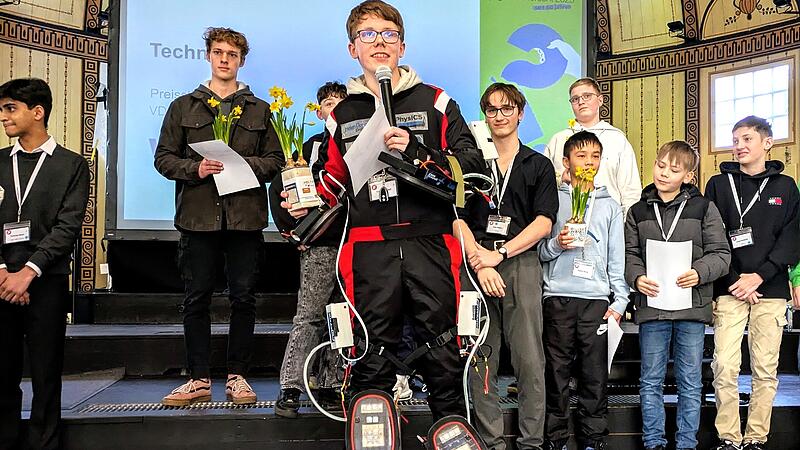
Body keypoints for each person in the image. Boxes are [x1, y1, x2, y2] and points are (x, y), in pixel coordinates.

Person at [283, 0, 484, 420]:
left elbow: (473, 169)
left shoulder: (437, 102)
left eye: (389, 34)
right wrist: (297, 205)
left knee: (444, 352)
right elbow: (331, 183)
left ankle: (451, 428)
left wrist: (418, 152)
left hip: (431, 242)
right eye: (368, 35)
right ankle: (370, 427)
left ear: (403, 47)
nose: (379, 43)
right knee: (368, 354)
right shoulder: (342, 113)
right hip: (367, 248)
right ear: (352, 48)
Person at [154, 27, 283, 406]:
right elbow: (163, 158)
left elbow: (276, 160)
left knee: (243, 298)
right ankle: (197, 379)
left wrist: (242, 165)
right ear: (208, 57)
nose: (225, 59)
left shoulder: (260, 108)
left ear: (242, 60)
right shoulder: (183, 106)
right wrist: (196, 169)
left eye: (232, 53)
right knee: (196, 298)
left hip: (244, 218)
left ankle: (237, 377)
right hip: (198, 218)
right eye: (218, 52)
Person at [455, 82, 557, 450]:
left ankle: (531, 443)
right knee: (480, 358)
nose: (499, 116)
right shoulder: (472, 167)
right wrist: (480, 261)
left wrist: (501, 256)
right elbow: (456, 217)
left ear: (520, 113)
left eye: (506, 108)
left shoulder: (538, 164)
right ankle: (491, 442)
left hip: (519, 264)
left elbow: (544, 223)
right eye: (492, 110)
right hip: (477, 265)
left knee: (530, 359)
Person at [0, 78, 90, 450]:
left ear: (38, 112)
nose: (3, 116)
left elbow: (67, 226)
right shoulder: (0, 161)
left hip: (46, 279)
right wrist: (5, 274)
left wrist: (28, 273)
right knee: (3, 370)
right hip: (1, 280)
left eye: (10, 108)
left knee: (45, 371)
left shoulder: (71, 165)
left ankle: (44, 444)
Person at [624, 141, 730, 450]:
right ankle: (654, 442)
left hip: (691, 310)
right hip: (652, 309)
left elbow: (721, 254)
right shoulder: (638, 210)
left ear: (688, 176)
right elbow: (629, 254)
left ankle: (686, 443)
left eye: (674, 169)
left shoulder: (704, 207)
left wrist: (699, 271)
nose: (664, 173)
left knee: (689, 382)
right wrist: (636, 277)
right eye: (660, 165)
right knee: (650, 381)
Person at [704, 116, 800, 450]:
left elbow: (791, 237)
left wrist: (760, 276)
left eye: (747, 139)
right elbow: (712, 235)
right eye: (735, 140)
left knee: (765, 368)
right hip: (729, 287)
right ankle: (729, 437)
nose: (740, 146)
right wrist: (734, 279)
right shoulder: (718, 184)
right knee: (725, 366)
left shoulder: (786, 187)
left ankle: (757, 436)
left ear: (767, 142)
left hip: (769, 290)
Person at [539, 130, 629, 450]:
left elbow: (616, 256)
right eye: (581, 156)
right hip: (558, 297)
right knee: (557, 373)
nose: (589, 162)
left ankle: (593, 438)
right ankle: (557, 438)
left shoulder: (610, 205)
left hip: (595, 300)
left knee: (594, 375)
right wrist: (557, 244)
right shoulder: (553, 199)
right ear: (566, 161)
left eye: (595, 156)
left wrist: (619, 300)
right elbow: (539, 252)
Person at [269, 81, 347, 418]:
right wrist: (292, 232)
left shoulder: (359, 146)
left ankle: (330, 384)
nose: (335, 109)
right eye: (329, 104)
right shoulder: (309, 148)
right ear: (319, 112)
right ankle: (291, 386)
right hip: (319, 245)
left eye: (342, 104)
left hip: (354, 244)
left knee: (342, 316)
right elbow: (280, 188)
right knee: (310, 315)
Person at [544, 77, 641, 214]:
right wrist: (561, 180)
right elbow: (543, 183)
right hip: (566, 215)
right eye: (575, 99)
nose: (581, 102)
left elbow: (630, 189)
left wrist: (626, 224)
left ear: (600, 100)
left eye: (587, 96)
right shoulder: (558, 139)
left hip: (607, 217)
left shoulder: (617, 138)